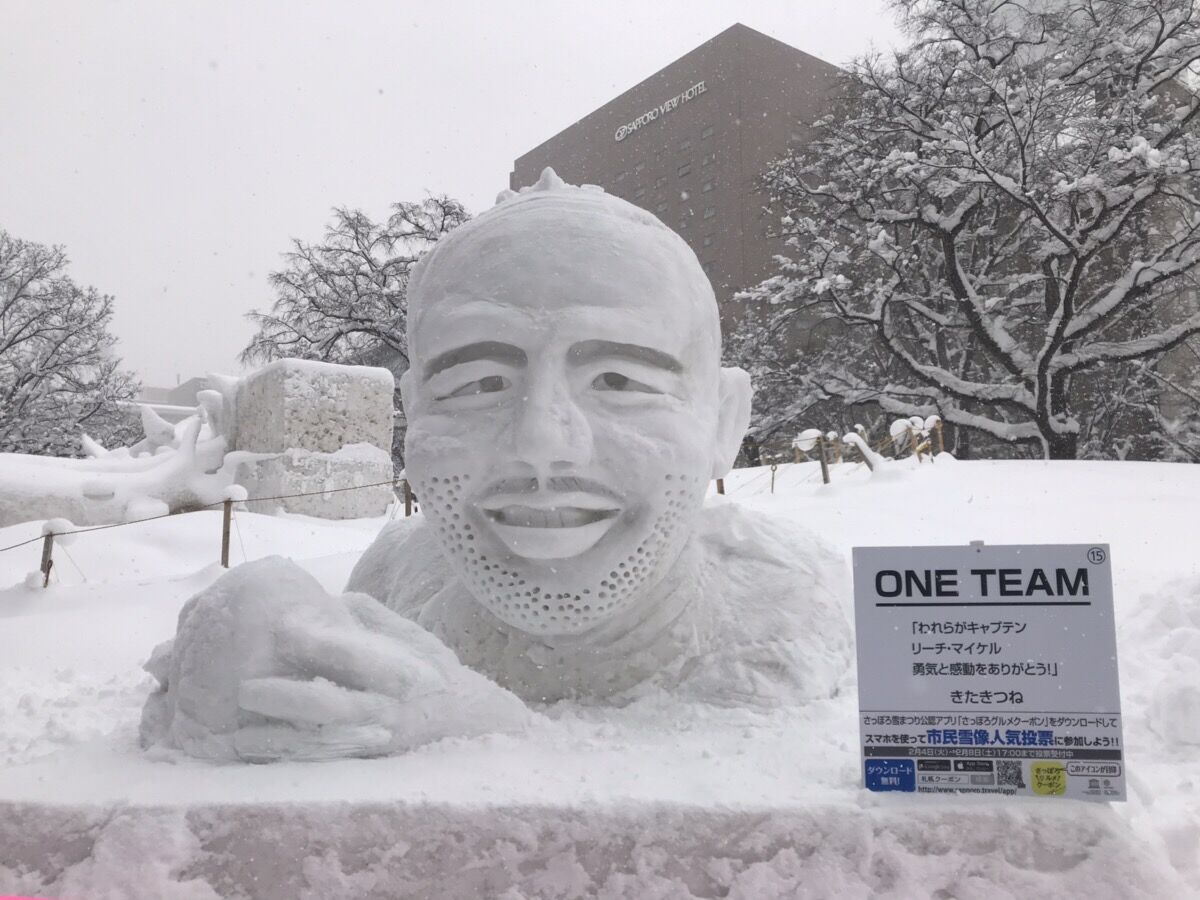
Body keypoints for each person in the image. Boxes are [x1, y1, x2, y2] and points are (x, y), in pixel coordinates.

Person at [140, 169, 851, 762]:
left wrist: (477, 734)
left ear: (724, 421)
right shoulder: (393, 583)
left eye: (619, 380)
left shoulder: (795, 615)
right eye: (478, 383)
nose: (543, 441)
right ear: (414, 413)